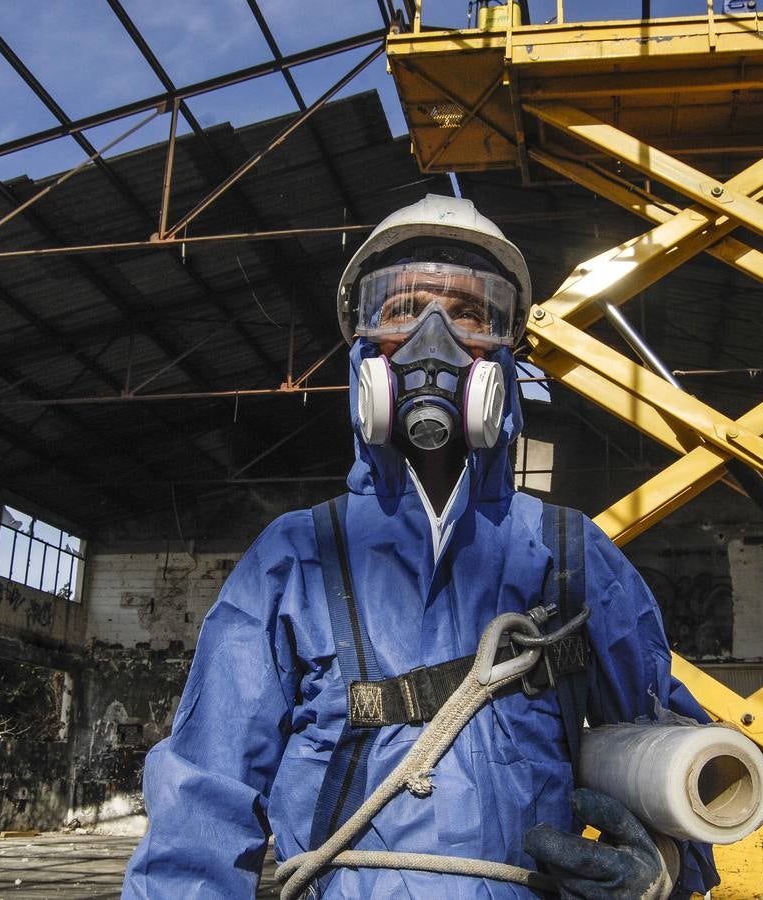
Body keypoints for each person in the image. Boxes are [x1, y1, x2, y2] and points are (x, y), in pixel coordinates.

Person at [122, 195, 719, 899]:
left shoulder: (571, 553)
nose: (433, 340)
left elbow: (675, 760)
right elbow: (203, 792)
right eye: (402, 309)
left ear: (502, 353)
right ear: (363, 351)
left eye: (470, 313)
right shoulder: (296, 556)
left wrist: (666, 869)